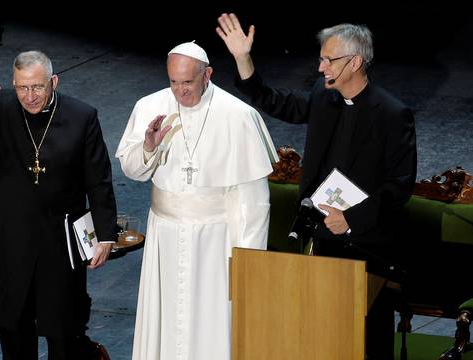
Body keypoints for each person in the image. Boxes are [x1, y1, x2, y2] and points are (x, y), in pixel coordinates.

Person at [216, 14, 417, 359]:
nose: (321, 66)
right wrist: (242, 59)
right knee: (323, 336)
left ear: (355, 62)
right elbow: (273, 100)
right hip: (323, 240)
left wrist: (351, 217)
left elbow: (399, 186)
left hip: (368, 246)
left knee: (368, 343)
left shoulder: (392, 114)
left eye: (329, 59)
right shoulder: (323, 98)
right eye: (322, 58)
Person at [0, 50, 117, 360]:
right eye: (23, 87)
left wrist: (105, 235)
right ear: (14, 84)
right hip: (13, 238)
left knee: (62, 330)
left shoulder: (82, 116)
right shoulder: (2, 105)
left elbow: (99, 180)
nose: (30, 96)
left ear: (53, 81)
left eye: (37, 87)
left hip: (60, 242)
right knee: (13, 328)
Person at [115, 41, 278, 360]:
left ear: (208, 75)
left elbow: (254, 202)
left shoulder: (238, 115)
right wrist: (148, 147)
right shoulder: (150, 106)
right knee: (166, 321)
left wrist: (247, 260)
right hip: (165, 234)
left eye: (188, 82)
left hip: (217, 240)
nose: (180, 92)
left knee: (212, 324)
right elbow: (132, 171)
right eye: (173, 82)